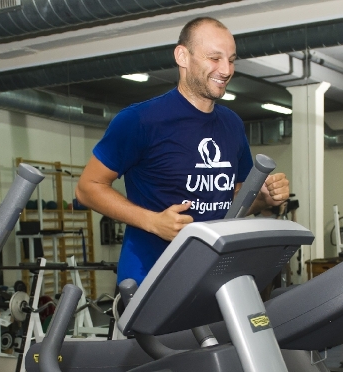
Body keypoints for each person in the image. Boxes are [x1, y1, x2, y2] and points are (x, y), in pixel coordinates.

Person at [76, 17, 290, 286]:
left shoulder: (232, 124)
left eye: (231, 60)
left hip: (212, 276)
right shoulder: (141, 120)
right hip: (152, 276)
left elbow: (230, 202)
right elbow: (87, 187)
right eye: (214, 58)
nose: (226, 70)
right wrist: (153, 222)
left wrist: (263, 198)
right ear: (182, 56)